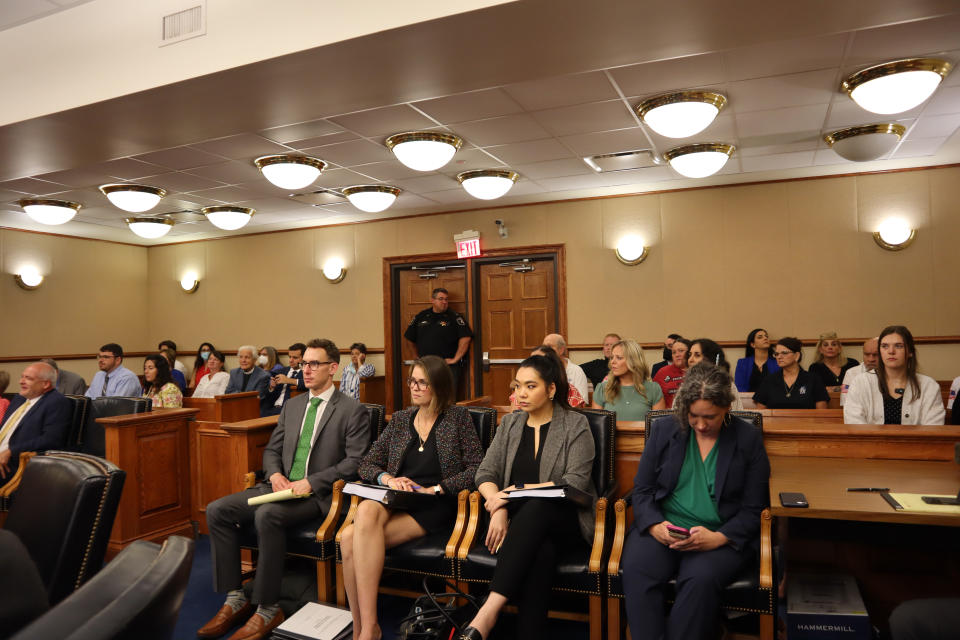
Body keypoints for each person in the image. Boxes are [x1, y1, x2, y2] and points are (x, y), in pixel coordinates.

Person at [200, 339, 371, 640]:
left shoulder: (351, 409)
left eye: (314, 363)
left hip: (317, 495)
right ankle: (235, 596)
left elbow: (355, 462)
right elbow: (272, 450)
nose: (306, 369)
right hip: (278, 486)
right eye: (304, 363)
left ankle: (267, 607)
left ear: (333, 368)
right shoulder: (292, 406)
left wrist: (312, 482)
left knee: (267, 515)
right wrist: (276, 473)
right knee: (217, 510)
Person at [621, 363, 770, 640]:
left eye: (710, 417)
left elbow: (755, 509)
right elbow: (642, 490)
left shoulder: (747, 438)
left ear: (726, 407)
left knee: (699, 581)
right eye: (693, 416)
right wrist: (654, 526)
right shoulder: (665, 430)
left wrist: (719, 538)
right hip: (664, 527)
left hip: (719, 536)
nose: (701, 425)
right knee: (637, 570)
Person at [340, 356, 482, 640]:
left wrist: (438, 488)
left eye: (422, 382)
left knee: (348, 538)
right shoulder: (402, 419)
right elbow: (367, 464)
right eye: (412, 381)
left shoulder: (457, 418)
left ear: (438, 386)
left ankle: (365, 630)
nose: (414, 388)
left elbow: (478, 467)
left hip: (434, 503)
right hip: (397, 498)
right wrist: (388, 479)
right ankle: (365, 626)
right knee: (364, 514)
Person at [461, 354, 596, 640]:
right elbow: (485, 473)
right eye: (518, 385)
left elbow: (574, 483)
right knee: (540, 554)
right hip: (516, 523)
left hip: (565, 518)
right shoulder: (511, 424)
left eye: (530, 386)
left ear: (551, 389)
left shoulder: (576, 424)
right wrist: (498, 508)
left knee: (537, 506)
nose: (520, 393)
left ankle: (487, 612)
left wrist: (511, 493)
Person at [844, 326, 945, 425]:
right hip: (871, 441)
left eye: (898, 346)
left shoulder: (928, 385)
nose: (891, 351)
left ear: (910, 352)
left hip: (915, 441)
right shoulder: (860, 382)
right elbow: (854, 423)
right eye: (885, 346)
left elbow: (933, 427)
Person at [0, 362, 71, 481]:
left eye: (28, 378)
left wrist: (11, 451)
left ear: (46, 384)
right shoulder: (19, 399)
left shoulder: (57, 402)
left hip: (15, 462)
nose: (21, 381)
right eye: (22, 376)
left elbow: (50, 439)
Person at [404, 287, 473, 396]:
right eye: (441, 299)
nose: (444, 302)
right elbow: (409, 337)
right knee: (425, 395)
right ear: (432, 300)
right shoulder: (421, 316)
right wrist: (415, 357)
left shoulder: (454, 317)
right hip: (425, 365)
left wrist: (455, 359)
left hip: (446, 366)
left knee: (447, 397)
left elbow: (466, 338)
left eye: (446, 299)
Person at [592, 339, 665, 420]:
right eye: (612, 357)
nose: (612, 361)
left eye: (619, 358)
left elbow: (659, 428)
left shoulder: (653, 389)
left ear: (634, 361)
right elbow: (597, 428)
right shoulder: (602, 389)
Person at [753, 337, 829, 409]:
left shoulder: (813, 379)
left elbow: (821, 412)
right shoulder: (769, 380)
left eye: (784, 353)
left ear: (796, 356)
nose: (779, 357)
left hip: (806, 422)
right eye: (777, 354)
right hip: (775, 422)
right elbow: (761, 413)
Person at [511, 345, 585, 409]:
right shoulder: (511, 419)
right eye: (518, 386)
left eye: (531, 386)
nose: (522, 394)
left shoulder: (570, 390)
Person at [687, 338, 744, 410]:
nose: (690, 360)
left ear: (710, 359)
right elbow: (676, 414)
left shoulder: (727, 385)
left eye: (697, 355)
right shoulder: (685, 384)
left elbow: (738, 414)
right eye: (690, 355)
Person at [225, 345, 273, 415]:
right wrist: (244, 394)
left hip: (253, 411)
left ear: (254, 359)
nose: (243, 360)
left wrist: (237, 395)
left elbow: (257, 398)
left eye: (247, 357)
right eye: (241, 357)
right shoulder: (234, 372)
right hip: (234, 409)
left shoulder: (263, 375)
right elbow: (227, 392)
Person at [543, 333, 589, 401]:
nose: (545, 351)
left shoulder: (576, 371)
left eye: (549, 347)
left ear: (561, 350)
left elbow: (581, 402)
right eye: (544, 347)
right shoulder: (540, 370)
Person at [264, 342, 306, 415]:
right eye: (289, 357)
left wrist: (288, 380)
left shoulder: (307, 373)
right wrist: (271, 387)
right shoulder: (280, 371)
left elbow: (308, 384)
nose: (290, 360)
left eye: (295, 358)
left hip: (290, 411)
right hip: (272, 408)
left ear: (304, 358)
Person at [840, 338, 879, 406]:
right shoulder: (850, 373)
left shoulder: (891, 372)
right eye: (867, 354)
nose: (871, 359)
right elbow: (845, 398)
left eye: (876, 355)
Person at [653, 338, 691, 409]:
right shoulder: (663, 372)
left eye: (681, 351)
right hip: (669, 415)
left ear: (689, 353)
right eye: (674, 352)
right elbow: (653, 397)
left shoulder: (698, 371)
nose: (677, 355)